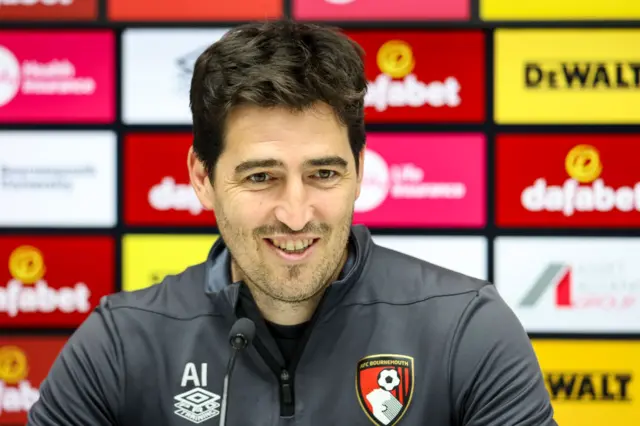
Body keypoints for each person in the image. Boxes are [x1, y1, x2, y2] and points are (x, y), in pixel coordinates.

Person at [27, 20, 557, 426]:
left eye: (324, 173)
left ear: (359, 172)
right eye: (261, 177)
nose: (296, 214)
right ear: (201, 176)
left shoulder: (467, 329)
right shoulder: (122, 343)